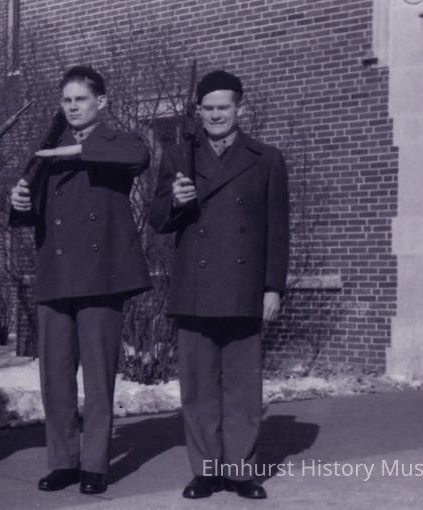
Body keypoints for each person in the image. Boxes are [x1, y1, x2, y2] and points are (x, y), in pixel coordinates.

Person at [9, 65, 151, 494]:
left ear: (100, 102)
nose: (73, 107)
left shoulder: (116, 141)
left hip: (102, 276)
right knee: (55, 378)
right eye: (67, 100)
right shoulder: (48, 150)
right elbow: (28, 209)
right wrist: (19, 202)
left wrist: (74, 151)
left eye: (81, 99)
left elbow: (139, 157)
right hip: (55, 275)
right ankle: (63, 461)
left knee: (98, 377)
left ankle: (94, 464)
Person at [149, 70, 290, 500]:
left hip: (245, 287)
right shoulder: (179, 155)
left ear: (238, 109)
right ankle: (207, 470)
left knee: (243, 386)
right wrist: (176, 201)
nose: (215, 115)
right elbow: (157, 220)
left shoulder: (266, 158)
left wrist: (273, 287)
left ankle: (240, 470)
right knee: (198, 388)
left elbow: (277, 230)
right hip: (195, 287)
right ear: (198, 111)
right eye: (208, 108)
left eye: (223, 107)